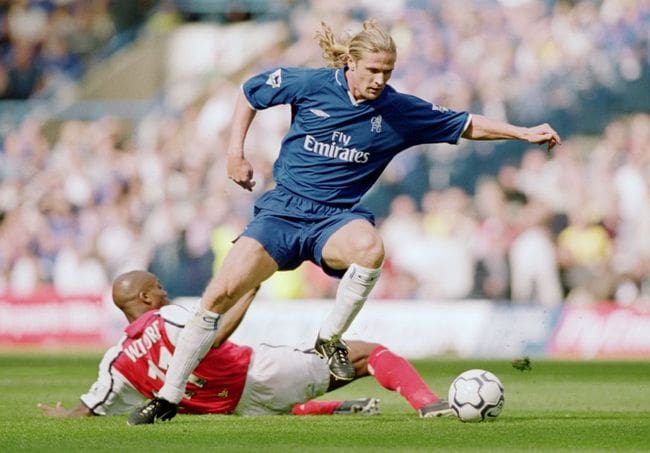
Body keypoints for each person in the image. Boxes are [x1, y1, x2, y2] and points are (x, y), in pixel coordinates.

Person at [129, 19, 561, 424]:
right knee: (220, 293)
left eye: (388, 72)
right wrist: (234, 153)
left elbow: (466, 124)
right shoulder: (312, 84)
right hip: (281, 213)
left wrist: (522, 132)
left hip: (333, 220)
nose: (380, 80)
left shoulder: (398, 110)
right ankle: (168, 395)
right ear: (350, 63)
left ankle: (328, 339)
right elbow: (249, 92)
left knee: (370, 248)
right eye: (373, 70)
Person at [37, 271, 452, 420]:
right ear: (145, 299)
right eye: (158, 287)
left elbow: (89, 408)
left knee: (292, 399)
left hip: (240, 409)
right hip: (257, 374)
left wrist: (63, 415)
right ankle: (429, 404)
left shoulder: (116, 361)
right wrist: (251, 290)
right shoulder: (169, 315)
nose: (163, 292)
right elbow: (211, 337)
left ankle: (335, 406)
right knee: (366, 353)